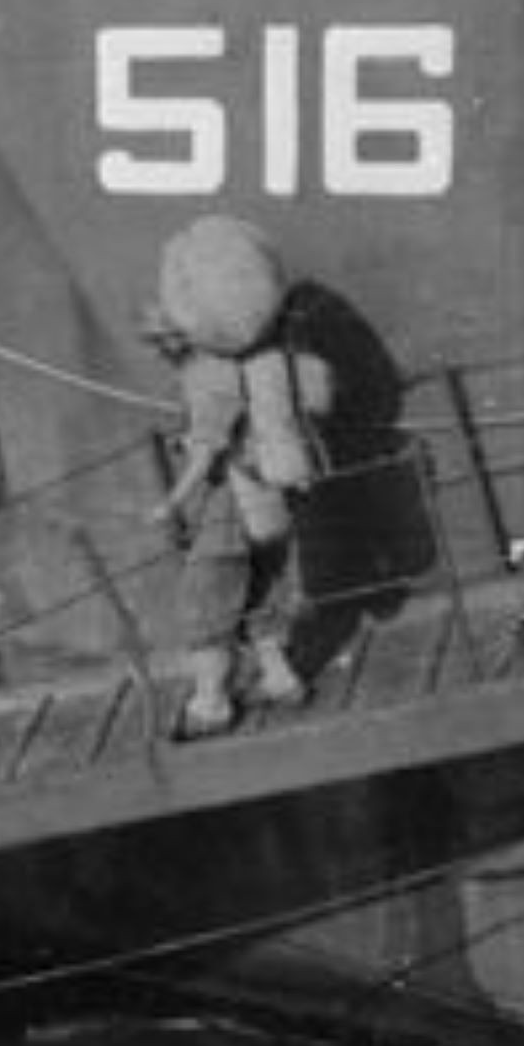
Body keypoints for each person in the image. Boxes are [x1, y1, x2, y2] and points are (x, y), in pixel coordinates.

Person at [140, 303, 310, 739]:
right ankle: (280, 679)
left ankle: (210, 703)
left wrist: (172, 503)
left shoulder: (206, 373)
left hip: (233, 494)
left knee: (206, 594)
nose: (157, 351)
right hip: (268, 488)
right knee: (260, 587)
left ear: (179, 336)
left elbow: (208, 449)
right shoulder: (240, 361)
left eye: (159, 340)